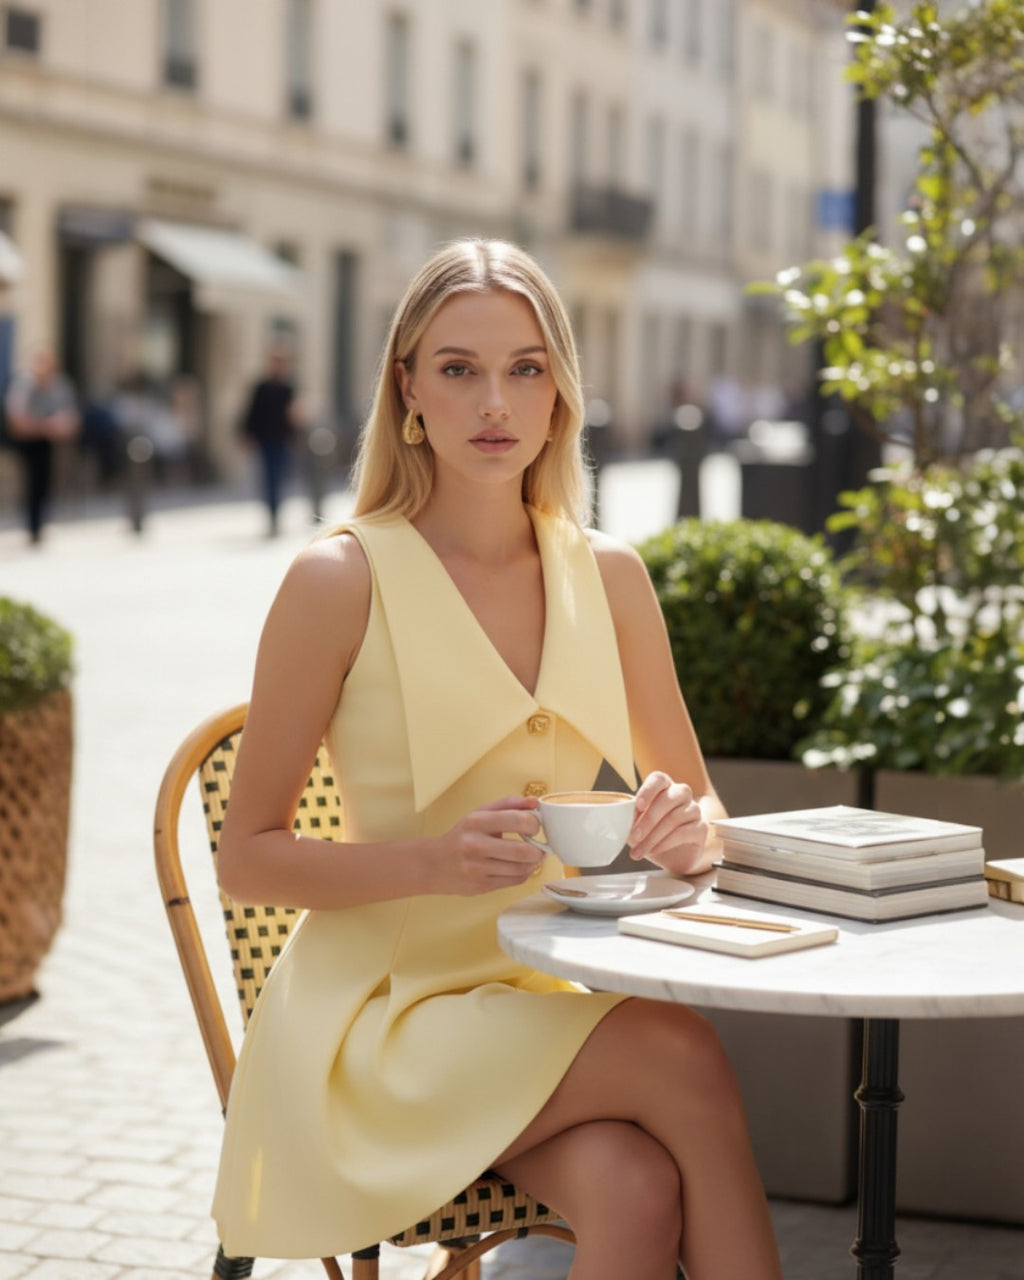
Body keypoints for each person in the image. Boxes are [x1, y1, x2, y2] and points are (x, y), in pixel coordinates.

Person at [212, 239, 783, 1279]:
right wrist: (427, 861)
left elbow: (704, 810)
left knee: (635, 1185)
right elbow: (246, 858)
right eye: (458, 367)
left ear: (561, 390)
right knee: (682, 1050)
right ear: (407, 387)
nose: (495, 402)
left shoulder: (609, 575)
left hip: (543, 1000)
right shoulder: (338, 580)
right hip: (382, 1024)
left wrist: (675, 826)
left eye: (525, 367)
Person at [3, 347, 80, 543]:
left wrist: (58, 426)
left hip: (47, 441)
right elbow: (16, 420)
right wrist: (45, 426)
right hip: (26, 441)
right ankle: (32, 525)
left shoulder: (59, 385)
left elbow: (72, 417)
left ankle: (38, 524)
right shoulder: (23, 384)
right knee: (31, 480)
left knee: (44, 481)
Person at [238, 344, 304, 535]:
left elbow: (295, 416)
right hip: (265, 439)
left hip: (282, 439)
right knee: (268, 478)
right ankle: (271, 514)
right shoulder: (261, 387)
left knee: (280, 476)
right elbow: (252, 412)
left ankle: (276, 513)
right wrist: (246, 434)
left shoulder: (289, 387)